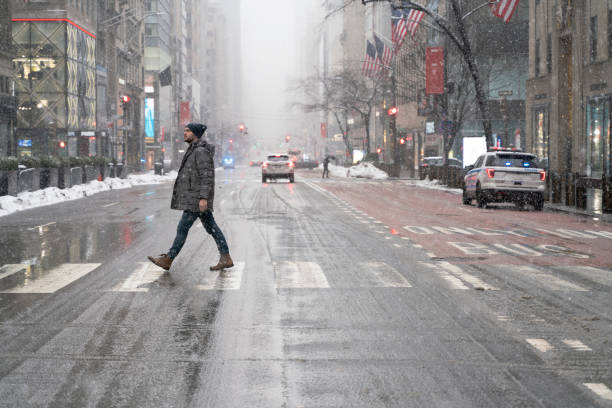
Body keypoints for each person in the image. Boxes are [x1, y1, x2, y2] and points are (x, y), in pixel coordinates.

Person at [148, 123, 234, 271]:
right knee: (211, 227)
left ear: (195, 134)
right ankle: (225, 257)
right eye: (185, 130)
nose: (184, 133)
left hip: (196, 199)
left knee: (183, 228)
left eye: (188, 131)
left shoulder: (200, 151)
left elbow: (206, 176)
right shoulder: (194, 150)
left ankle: (169, 258)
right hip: (195, 197)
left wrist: (203, 198)